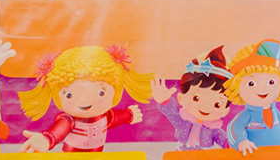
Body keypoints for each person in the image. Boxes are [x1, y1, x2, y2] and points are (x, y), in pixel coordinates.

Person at [16, 46, 151, 151]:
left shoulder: (104, 117)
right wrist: (47, 139)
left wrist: (129, 115)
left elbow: (113, 118)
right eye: (69, 95)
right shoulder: (69, 120)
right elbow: (61, 128)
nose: (84, 102)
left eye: (101, 93)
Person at [151, 48, 236, 150]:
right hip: (180, 155)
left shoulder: (214, 129)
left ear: (225, 111)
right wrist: (164, 101)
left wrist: (236, 145)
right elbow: (172, 112)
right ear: (181, 98)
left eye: (217, 104)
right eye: (196, 98)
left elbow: (225, 141)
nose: (206, 106)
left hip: (204, 158)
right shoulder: (182, 121)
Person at [225, 41, 280, 154]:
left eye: (271, 82)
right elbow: (233, 127)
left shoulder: (275, 112)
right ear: (237, 86)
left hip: (275, 156)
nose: (263, 89)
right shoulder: (248, 115)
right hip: (253, 158)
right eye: (251, 83)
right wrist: (241, 142)